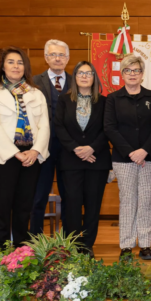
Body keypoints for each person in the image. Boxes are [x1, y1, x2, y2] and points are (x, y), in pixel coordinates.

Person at [0, 46, 50, 248]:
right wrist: (15, 154)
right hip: (3, 157)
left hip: (31, 156)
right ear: (3, 66)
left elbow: (44, 126)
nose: (16, 66)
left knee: (24, 206)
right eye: (11, 62)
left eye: (20, 62)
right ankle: (0, 250)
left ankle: (21, 250)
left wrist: (35, 151)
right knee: (2, 206)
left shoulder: (37, 94)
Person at [104, 55, 151, 260]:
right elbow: (109, 128)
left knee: (146, 200)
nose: (132, 74)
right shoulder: (113, 98)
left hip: (149, 158)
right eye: (128, 70)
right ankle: (127, 245)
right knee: (128, 201)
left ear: (142, 74)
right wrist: (131, 152)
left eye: (136, 70)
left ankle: (145, 244)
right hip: (123, 159)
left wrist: (144, 150)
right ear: (122, 74)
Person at [53, 61, 111, 256]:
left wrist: (91, 148)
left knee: (93, 205)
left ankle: (87, 245)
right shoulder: (64, 100)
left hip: (97, 160)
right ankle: (72, 245)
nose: (85, 76)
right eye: (80, 73)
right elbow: (59, 126)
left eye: (89, 73)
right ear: (74, 77)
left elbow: (108, 128)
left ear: (94, 78)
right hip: (71, 160)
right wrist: (76, 148)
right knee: (72, 204)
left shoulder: (105, 102)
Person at [30, 39, 71, 235]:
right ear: (46, 58)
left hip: (68, 148)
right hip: (42, 147)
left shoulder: (76, 81)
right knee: (39, 195)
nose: (57, 58)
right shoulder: (33, 82)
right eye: (53, 55)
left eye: (61, 55)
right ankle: (35, 239)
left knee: (69, 196)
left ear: (67, 58)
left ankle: (69, 240)